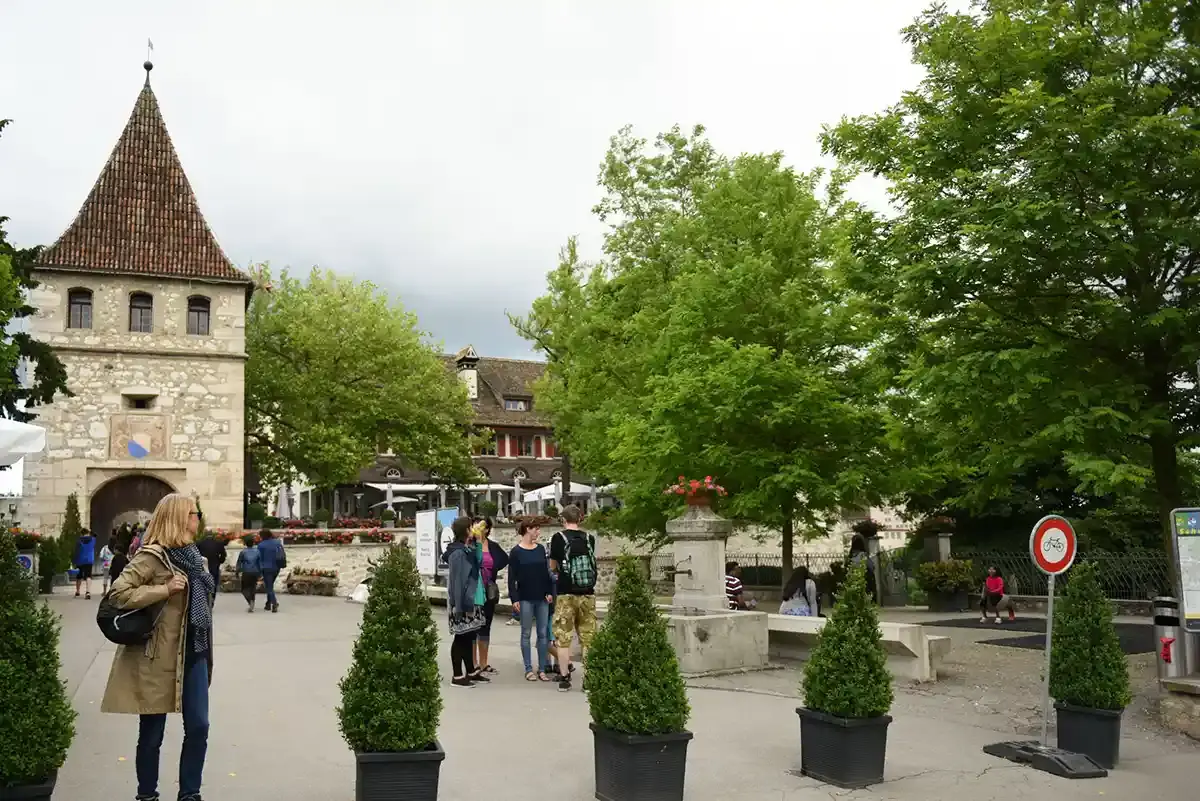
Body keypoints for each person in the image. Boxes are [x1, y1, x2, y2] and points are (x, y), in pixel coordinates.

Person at [101, 493, 214, 801]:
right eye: (193, 513)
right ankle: (147, 794)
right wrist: (163, 589)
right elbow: (117, 594)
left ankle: (190, 793)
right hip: (158, 656)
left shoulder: (197, 559)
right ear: (178, 517)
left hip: (195, 652)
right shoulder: (152, 556)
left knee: (200, 727)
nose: (197, 518)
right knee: (152, 733)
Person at [548, 505, 598, 691]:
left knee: (563, 637)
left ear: (563, 519)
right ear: (580, 518)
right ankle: (589, 679)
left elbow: (553, 565)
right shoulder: (589, 538)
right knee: (588, 638)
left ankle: (564, 677)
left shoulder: (558, 538)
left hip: (566, 594)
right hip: (587, 594)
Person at [507, 519, 554, 681]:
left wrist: (549, 591)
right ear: (528, 529)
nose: (538, 532)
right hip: (525, 597)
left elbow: (546, 572)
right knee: (526, 633)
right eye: (536, 529)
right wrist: (514, 598)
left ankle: (542, 668)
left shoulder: (540, 549)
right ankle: (528, 668)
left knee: (542, 634)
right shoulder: (516, 552)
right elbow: (511, 577)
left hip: (542, 597)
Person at [445, 516, 485, 687]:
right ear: (466, 531)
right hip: (462, 601)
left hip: (471, 598)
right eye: (471, 527)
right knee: (461, 637)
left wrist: (478, 543)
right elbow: (458, 581)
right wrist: (458, 605)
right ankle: (457, 675)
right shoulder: (458, 553)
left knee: (469, 636)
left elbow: (479, 561)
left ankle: (470, 670)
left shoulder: (467, 549)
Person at [472, 517, 509, 675]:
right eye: (475, 523)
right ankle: (472, 662)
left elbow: (504, 559)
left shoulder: (492, 546)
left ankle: (484, 663)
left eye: (481, 525)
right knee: (472, 627)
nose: (477, 527)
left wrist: (491, 572)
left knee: (485, 627)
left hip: (488, 591)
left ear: (487, 529)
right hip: (473, 591)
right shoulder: (469, 544)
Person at [256, 529, 286, 613]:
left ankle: (274, 603)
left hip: (266, 568)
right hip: (277, 567)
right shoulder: (277, 542)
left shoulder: (261, 545)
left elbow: (259, 558)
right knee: (270, 586)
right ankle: (268, 604)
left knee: (269, 587)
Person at [236, 534, 263, 612]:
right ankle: (252, 600)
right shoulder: (257, 552)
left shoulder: (243, 552)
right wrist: (261, 574)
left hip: (246, 572)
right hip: (255, 572)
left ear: (245, 544)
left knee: (244, 589)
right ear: (253, 543)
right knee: (252, 588)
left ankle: (250, 600)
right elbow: (260, 563)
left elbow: (239, 563)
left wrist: (237, 572)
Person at [196, 533, 226, 602]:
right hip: (214, 567)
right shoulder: (218, 543)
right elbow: (223, 555)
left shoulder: (200, 543)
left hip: (202, 567)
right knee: (214, 584)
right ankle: (212, 598)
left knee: (203, 584)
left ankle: (205, 599)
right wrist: (220, 561)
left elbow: (196, 555)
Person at [849, 534, 878, 604]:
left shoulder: (850, 556)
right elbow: (871, 566)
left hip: (853, 581)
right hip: (864, 581)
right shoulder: (863, 555)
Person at [74, 528, 97, 599]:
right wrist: (90, 531)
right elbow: (95, 534)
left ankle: (78, 591)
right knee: (88, 576)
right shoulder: (93, 540)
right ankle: (88, 592)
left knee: (79, 576)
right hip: (89, 560)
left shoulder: (78, 540)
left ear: (81, 533)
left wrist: (74, 560)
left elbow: (76, 551)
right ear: (88, 532)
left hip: (80, 560)